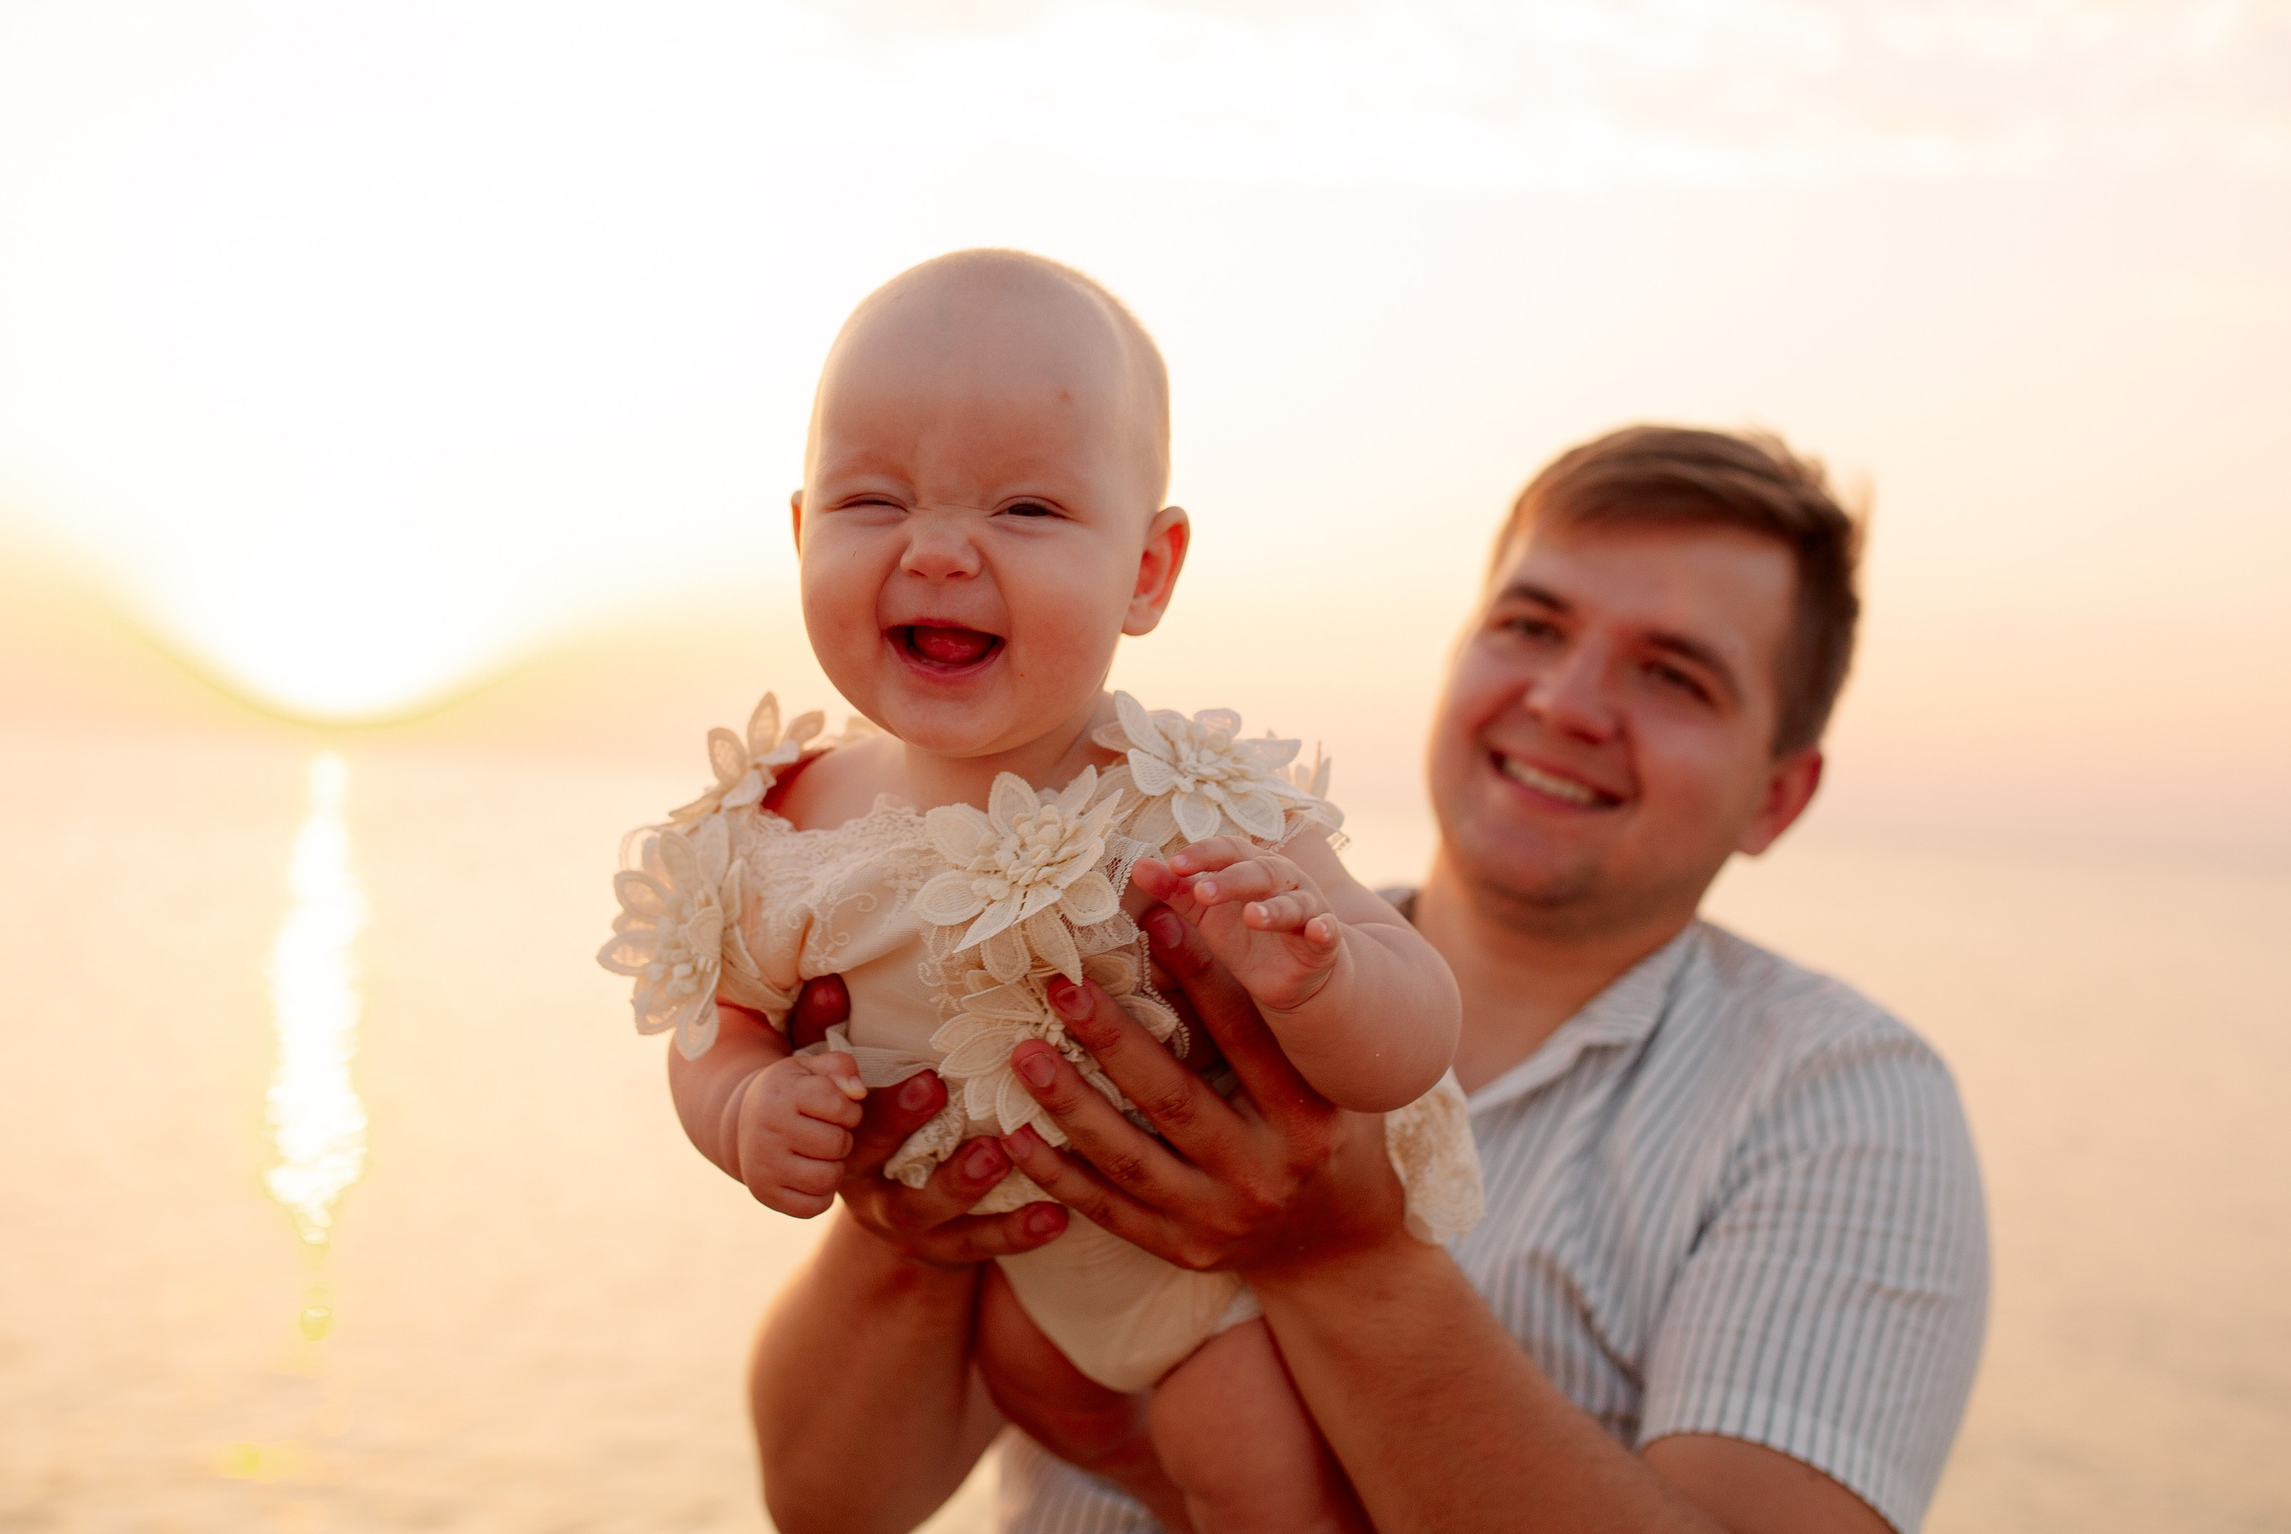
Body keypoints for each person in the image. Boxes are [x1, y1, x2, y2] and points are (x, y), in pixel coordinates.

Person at [750, 426, 1990, 1534]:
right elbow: (828, 1503)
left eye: (1673, 674)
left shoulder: (1838, 1099)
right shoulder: (1145, 945)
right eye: (1531, 625)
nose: (1564, 701)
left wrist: (1340, 1255)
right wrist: (910, 1212)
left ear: (1779, 793)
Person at [597, 248, 1480, 1534]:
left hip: (1219, 1295)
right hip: (1010, 1291)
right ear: (799, 534)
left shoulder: (1186, 797)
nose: (940, 550)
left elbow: (1419, 1024)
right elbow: (716, 1017)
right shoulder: (779, 821)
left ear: (1147, 571)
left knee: (1247, 1467)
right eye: (872, 500)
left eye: (1025, 511)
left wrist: (1327, 976)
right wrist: (743, 1107)